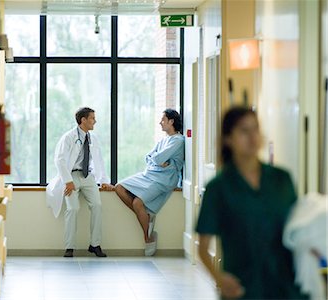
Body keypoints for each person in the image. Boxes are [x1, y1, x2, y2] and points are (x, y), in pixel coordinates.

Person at [196, 106, 308, 299]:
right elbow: (203, 247)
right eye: (244, 131)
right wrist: (220, 279)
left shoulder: (282, 179)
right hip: (243, 288)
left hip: (286, 287)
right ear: (228, 139)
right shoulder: (219, 188)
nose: (252, 136)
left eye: (255, 129)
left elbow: (298, 229)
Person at [114, 108, 185, 256]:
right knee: (119, 187)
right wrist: (159, 161)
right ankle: (146, 217)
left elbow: (157, 158)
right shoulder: (163, 140)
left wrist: (158, 160)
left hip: (164, 179)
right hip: (149, 174)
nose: (160, 123)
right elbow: (148, 158)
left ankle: (148, 237)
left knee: (137, 203)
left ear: (171, 122)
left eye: (163, 120)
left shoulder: (178, 140)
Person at [46, 107, 114, 258]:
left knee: (97, 205)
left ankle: (95, 245)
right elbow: (60, 160)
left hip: (88, 177)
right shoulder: (68, 137)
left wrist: (103, 180)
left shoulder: (93, 138)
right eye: (92, 118)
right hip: (71, 176)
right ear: (83, 120)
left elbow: (99, 161)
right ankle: (69, 247)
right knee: (73, 209)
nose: (95, 121)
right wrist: (68, 181)